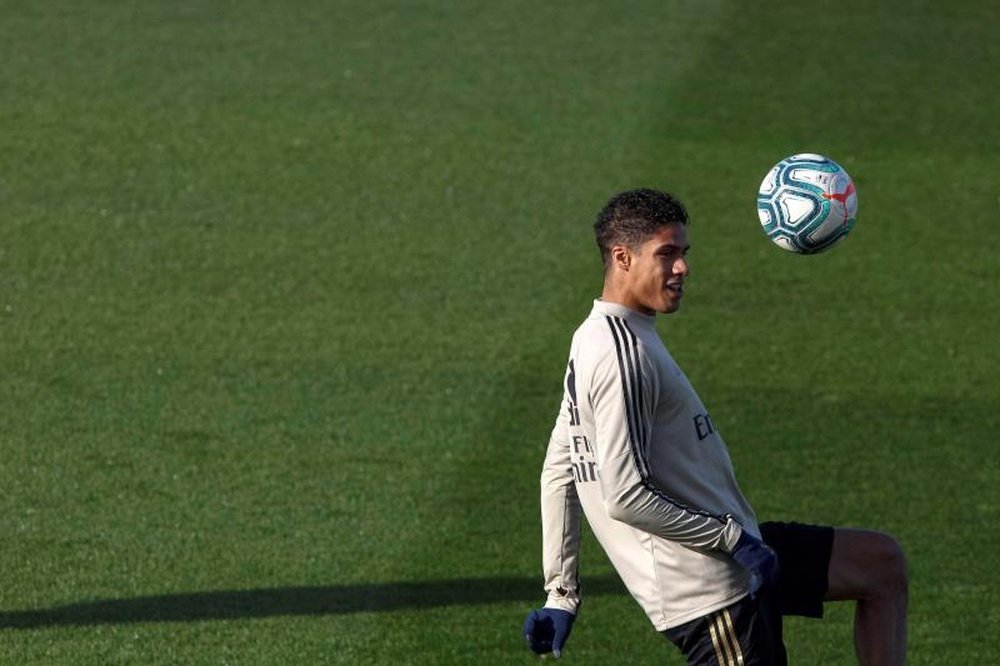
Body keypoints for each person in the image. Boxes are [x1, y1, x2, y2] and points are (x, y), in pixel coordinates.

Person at [522, 189, 908, 665]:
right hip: (710, 591)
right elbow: (625, 497)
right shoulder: (621, 357)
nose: (682, 267)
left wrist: (561, 593)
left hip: (738, 551)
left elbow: (561, 467)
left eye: (683, 253)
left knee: (881, 565)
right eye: (666, 254)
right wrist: (734, 541)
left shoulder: (601, 337)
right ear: (622, 257)